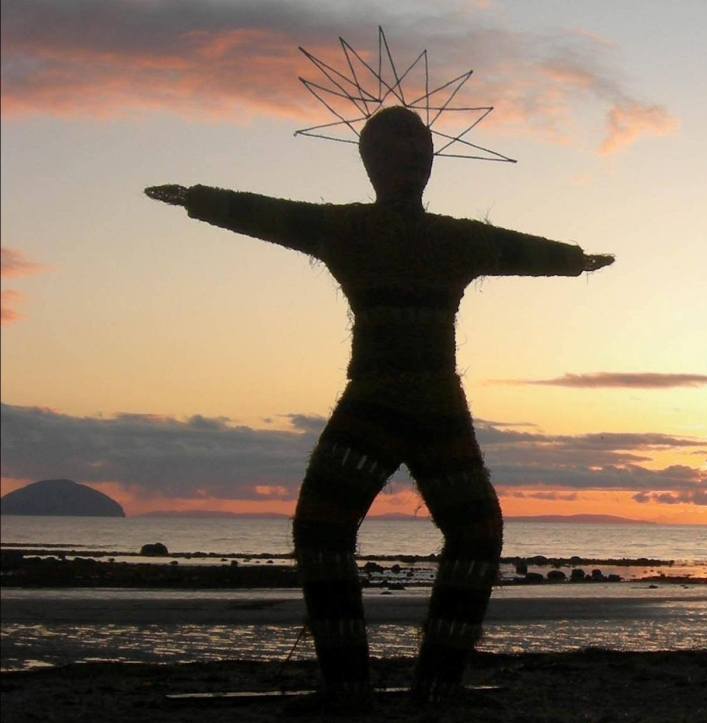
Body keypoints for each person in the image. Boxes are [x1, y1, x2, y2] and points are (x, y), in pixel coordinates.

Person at [145, 105, 614, 705]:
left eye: (419, 145)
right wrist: (198, 199)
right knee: (341, 530)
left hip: (414, 404)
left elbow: (514, 247)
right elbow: (272, 215)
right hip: (390, 401)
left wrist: (574, 260)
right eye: (398, 146)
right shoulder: (365, 231)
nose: (412, 156)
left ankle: (422, 683)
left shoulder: (433, 236)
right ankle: (363, 683)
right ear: (371, 161)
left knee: (452, 532)